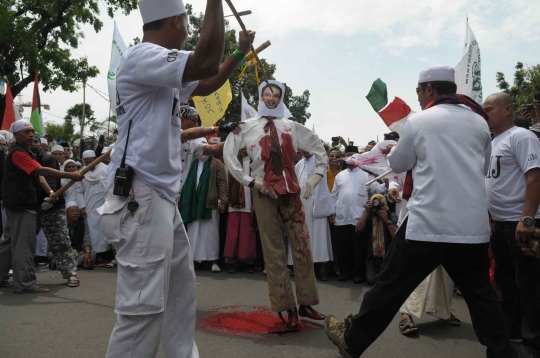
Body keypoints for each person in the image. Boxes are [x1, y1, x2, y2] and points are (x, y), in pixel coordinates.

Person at [325, 65, 516, 358]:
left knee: (388, 289)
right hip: (470, 227)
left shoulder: (421, 121)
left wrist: (397, 152)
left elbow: (400, 164)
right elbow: (483, 166)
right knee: (482, 298)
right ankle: (503, 353)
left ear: (429, 90)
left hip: (426, 224)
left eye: (418, 91)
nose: (416, 97)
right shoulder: (481, 123)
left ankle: (352, 340)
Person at [99, 0, 253, 355]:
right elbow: (204, 61)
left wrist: (240, 53)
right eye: (186, 21)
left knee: (179, 295)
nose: (188, 29)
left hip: (159, 200)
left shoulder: (158, 69)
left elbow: (208, 80)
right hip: (142, 198)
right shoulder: (142, 56)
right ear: (176, 22)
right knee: (143, 309)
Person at [224, 79, 327, 332]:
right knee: (273, 251)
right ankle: (287, 307)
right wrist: (251, 182)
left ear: (281, 98)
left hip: (291, 190)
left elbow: (319, 148)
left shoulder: (291, 126)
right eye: (267, 94)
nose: (271, 98)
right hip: (264, 190)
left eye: (276, 95)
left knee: (302, 246)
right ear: (261, 97)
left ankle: (305, 302)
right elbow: (229, 155)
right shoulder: (245, 127)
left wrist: (316, 177)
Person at [483, 92, 540, 356]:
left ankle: (532, 343)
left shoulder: (522, 136)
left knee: (528, 285)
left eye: (490, 109)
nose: (485, 114)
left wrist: (526, 218)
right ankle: (513, 334)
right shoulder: (493, 142)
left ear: (507, 110)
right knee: (507, 283)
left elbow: (535, 176)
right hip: (500, 224)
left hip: (521, 223)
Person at [0, 121, 83, 294]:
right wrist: (71, 175)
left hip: (20, 204)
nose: (31, 135)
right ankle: (25, 283)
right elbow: (41, 171)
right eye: (26, 132)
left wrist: (51, 191)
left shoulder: (28, 153)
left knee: (8, 242)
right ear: (15, 135)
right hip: (22, 205)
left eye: (32, 132)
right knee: (24, 245)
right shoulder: (18, 153)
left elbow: (40, 176)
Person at [35, 141, 80, 287]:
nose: (36, 144)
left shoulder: (48, 159)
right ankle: (20, 274)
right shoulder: (22, 156)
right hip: (30, 207)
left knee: (61, 240)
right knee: (21, 242)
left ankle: (70, 273)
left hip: (53, 207)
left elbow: (48, 179)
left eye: (36, 141)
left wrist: (51, 196)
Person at [330, 154, 379, 283]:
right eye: (349, 159)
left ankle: (358, 274)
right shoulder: (340, 175)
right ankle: (345, 272)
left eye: (353, 159)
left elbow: (377, 190)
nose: (350, 161)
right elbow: (334, 195)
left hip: (359, 217)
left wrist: (385, 184)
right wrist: (332, 212)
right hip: (342, 216)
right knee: (343, 247)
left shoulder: (366, 176)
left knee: (359, 248)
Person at [288, 149, 333, 281]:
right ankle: (301, 267)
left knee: (319, 236)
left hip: (317, 204)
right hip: (301, 204)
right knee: (301, 235)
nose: (305, 151)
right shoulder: (300, 164)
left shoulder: (321, 160)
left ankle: (322, 268)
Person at [180, 154, 228, 273]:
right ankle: (194, 260)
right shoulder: (190, 162)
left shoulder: (216, 163)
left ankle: (213, 261)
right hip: (193, 203)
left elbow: (221, 183)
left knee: (211, 235)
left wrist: (223, 200)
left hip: (210, 203)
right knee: (193, 233)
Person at [223, 147, 257, 273]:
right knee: (233, 233)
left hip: (249, 201)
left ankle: (248, 261)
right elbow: (227, 180)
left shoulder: (254, 161)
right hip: (234, 202)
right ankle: (232, 262)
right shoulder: (233, 161)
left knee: (247, 233)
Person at [355, 195, 396, 286]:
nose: (377, 207)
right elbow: (359, 229)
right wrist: (366, 211)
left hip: (387, 256)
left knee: (387, 279)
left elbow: (396, 236)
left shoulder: (390, 215)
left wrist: (387, 221)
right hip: (372, 256)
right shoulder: (369, 214)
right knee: (371, 280)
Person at [78, 150, 109, 261]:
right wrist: (82, 206)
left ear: (96, 159)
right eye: (86, 162)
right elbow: (79, 191)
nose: (89, 164)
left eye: (91, 162)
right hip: (89, 204)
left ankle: (106, 254)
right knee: (92, 228)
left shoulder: (105, 169)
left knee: (105, 227)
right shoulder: (81, 172)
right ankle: (96, 254)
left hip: (104, 202)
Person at [65, 201, 94, 270]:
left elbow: (86, 241)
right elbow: (58, 242)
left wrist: (87, 252)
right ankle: (77, 263)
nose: (75, 213)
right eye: (72, 211)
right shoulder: (62, 225)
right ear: (66, 213)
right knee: (51, 254)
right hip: (64, 252)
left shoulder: (82, 225)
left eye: (77, 211)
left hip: (78, 252)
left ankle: (69, 264)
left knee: (92, 253)